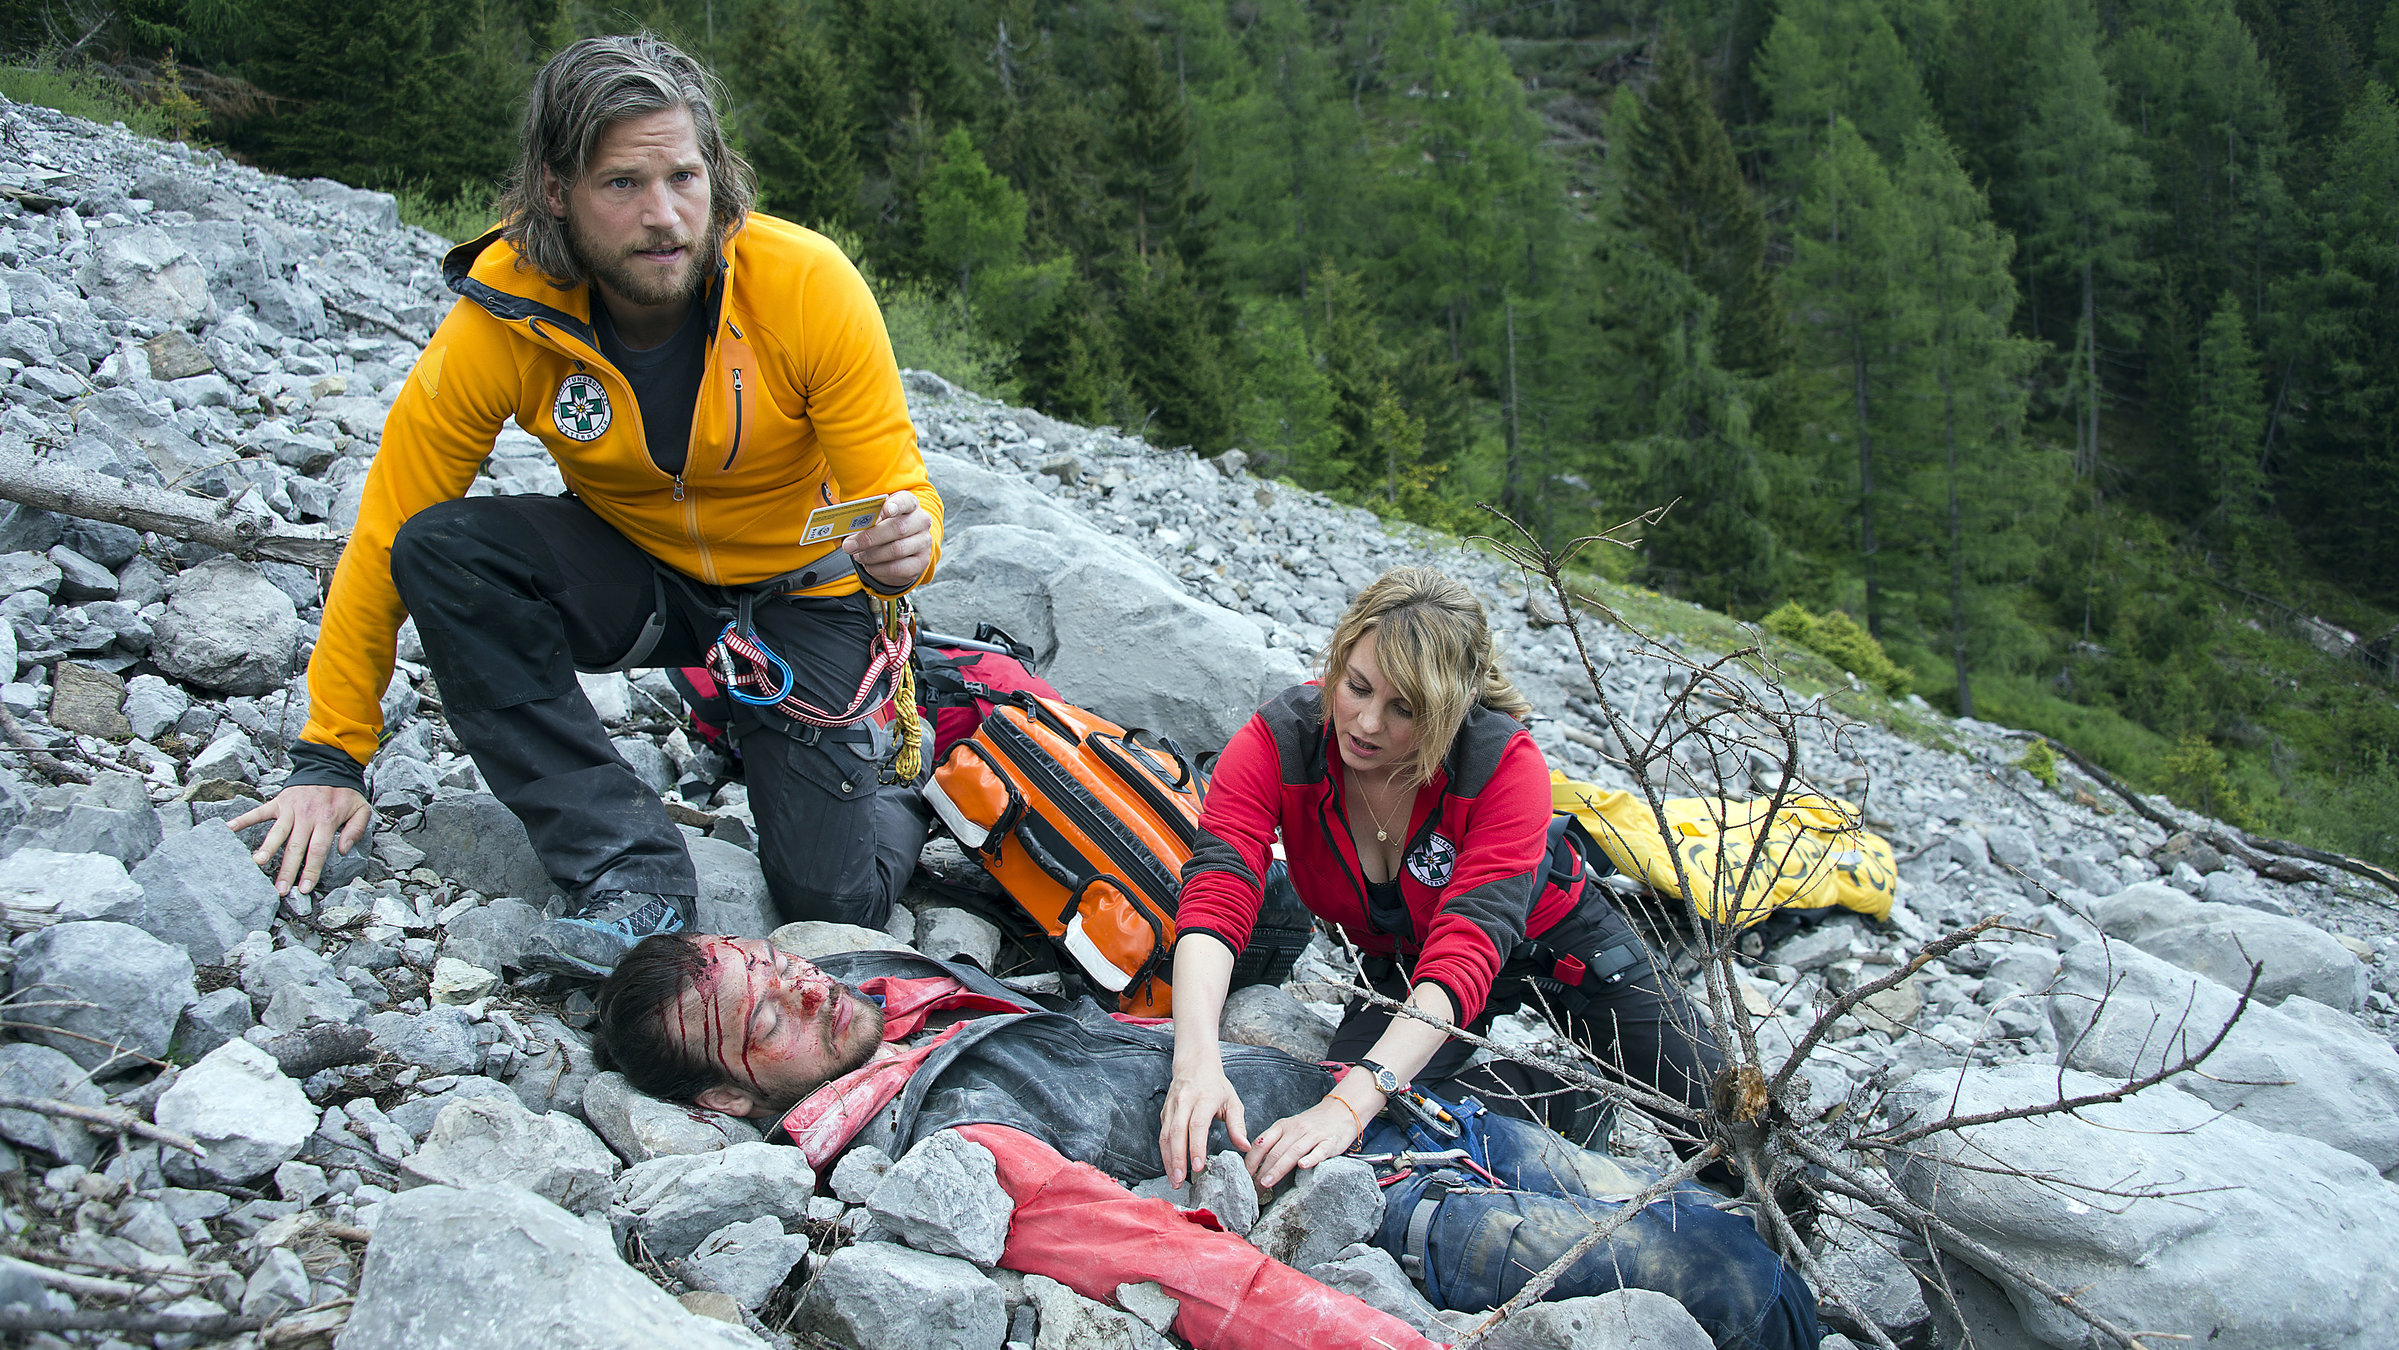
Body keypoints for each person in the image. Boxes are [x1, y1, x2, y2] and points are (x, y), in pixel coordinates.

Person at [232, 34, 942, 978]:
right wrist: (331, 756)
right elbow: (386, 526)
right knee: (442, 549)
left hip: (801, 594)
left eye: (684, 177)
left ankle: (905, 770)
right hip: (641, 578)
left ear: (716, 174)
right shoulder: (507, 314)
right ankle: (628, 870)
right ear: (555, 191)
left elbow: (897, 493)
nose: (664, 217)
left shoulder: (804, 283)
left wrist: (906, 547)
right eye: (622, 185)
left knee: (829, 900)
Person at [592, 934, 1822, 1350]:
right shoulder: (933, 1144)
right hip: (1390, 1206)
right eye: (761, 1018)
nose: (803, 987)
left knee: (1751, 1239)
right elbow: (1179, 1265)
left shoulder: (900, 998)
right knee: (1730, 1277)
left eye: (776, 965)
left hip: (1405, 1104)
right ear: (723, 1106)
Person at [1162, 567, 1730, 1190]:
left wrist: (1352, 1103)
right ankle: (1560, 1102)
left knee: (1721, 1120)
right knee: (1351, 1142)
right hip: (1408, 964)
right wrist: (1195, 1058)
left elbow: (1467, 950)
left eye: (1404, 709)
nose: (1366, 723)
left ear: (1452, 709)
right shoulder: (1281, 742)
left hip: (1557, 946)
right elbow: (1218, 891)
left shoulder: (1501, 764)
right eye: (1356, 686)